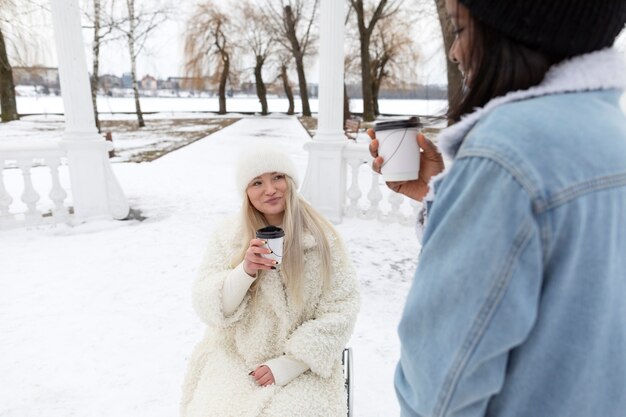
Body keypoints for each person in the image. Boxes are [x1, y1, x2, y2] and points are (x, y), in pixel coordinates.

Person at [369, 0, 626, 416]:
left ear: (513, 33)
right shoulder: (611, 136)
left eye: (460, 30)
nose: (455, 53)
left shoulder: (506, 154)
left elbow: (440, 391)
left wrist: (481, 175)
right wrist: (445, 193)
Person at [180, 145, 360, 417]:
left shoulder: (323, 238)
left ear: (290, 180)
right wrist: (246, 271)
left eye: (277, 177)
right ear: (246, 192)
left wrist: (291, 363)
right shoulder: (228, 235)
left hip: (303, 365)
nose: (270, 189)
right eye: (257, 182)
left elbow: (342, 308)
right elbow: (209, 305)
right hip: (235, 357)